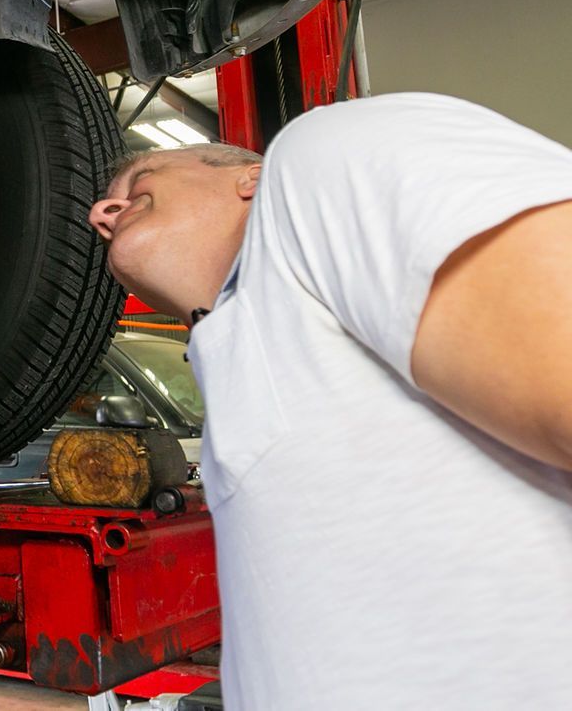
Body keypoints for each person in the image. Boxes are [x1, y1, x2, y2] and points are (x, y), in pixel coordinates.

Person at [87, 92, 572, 709]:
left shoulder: (314, 163)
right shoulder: (246, 339)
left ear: (249, 180)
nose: (104, 213)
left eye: (141, 179)